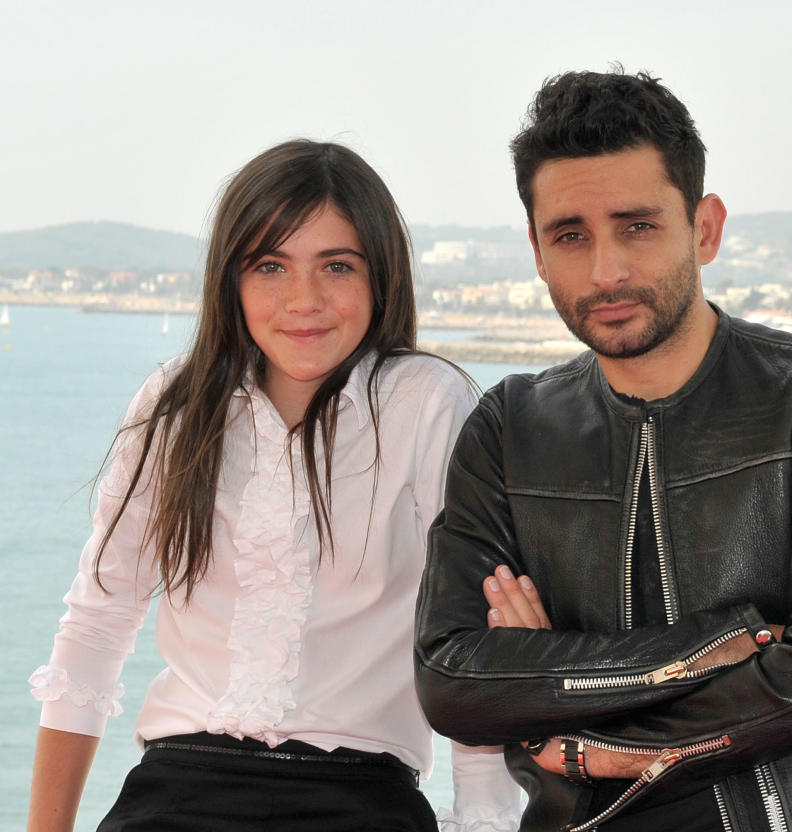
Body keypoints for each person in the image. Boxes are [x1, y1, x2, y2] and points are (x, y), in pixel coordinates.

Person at [415, 69, 792, 831]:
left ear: (705, 228)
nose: (606, 270)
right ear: (538, 252)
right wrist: (727, 648)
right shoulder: (510, 428)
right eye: (571, 235)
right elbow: (452, 681)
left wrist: (577, 726)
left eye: (637, 226)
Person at [28, 140, 521, 832]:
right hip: (175, 792)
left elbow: (473, 644)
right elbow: (97, 623)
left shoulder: (424, 402)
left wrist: (485, 822)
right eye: (270, 266)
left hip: (361, 794)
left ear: (381, 277)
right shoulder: (174, 404)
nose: (304, 300)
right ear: (232, 279)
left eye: (337, 266)